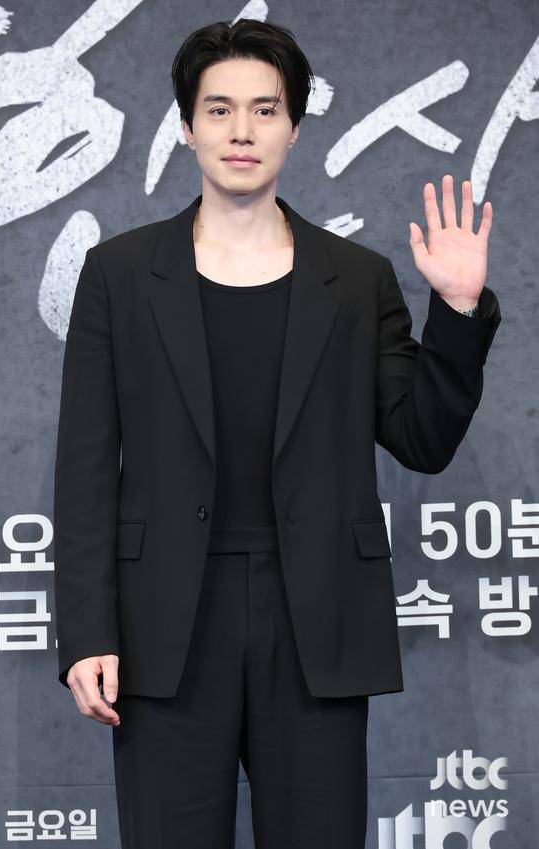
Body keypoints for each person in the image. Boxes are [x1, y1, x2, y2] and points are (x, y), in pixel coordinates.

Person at [53, 18, 502, 849]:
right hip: (164, 625)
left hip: (315, 622)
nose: (241, 131)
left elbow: (422, 438)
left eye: (264, 110)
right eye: (219, 109)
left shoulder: (354, 280)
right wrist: (86, 633)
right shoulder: (120, 274)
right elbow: (82, 469)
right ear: (186, 126)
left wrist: (457, 309)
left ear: (293, 126)